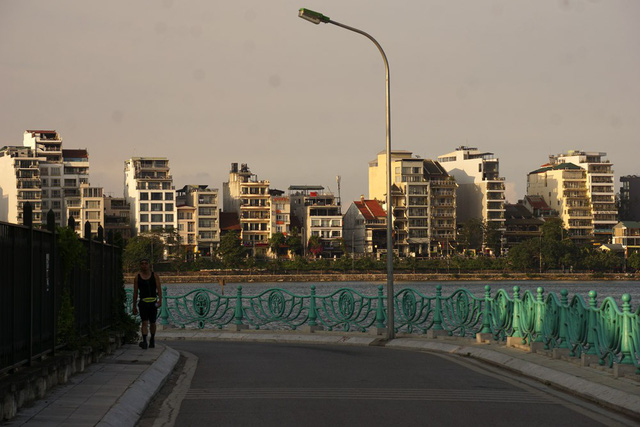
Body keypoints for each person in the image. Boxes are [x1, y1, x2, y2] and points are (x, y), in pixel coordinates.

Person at [132, 258, 162, 349]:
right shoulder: (137, 277)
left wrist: (160, 300)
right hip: (143, 302)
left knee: (153, 322)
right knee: (144, 322)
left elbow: (159, 289)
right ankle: (144, 341)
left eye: (146, 263)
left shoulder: (155, 276)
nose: (144, 265)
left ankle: (152, 339)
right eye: (142, 264)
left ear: (148, 265)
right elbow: (135, 292)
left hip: (153, 302)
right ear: (140, 265)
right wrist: (134, 306)